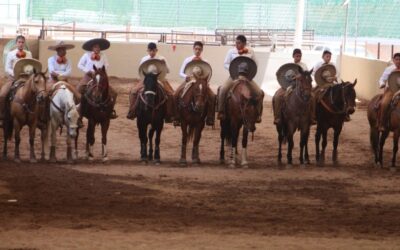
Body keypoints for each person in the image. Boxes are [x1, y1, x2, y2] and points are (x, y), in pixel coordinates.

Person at [218, 35, 263, 122]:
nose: (236, 44)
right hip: (233, 76)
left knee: (259, 93)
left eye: (239, 43)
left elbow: (255, 64)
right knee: (223, 89)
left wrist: (249, 73)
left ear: (244, 43)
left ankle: (257, 114)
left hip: (247, 78)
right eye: (236, 42)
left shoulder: (251, 51)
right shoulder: (231, 51)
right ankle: (221, 111)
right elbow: (226, 63)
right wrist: (233, 69)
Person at [127, 42, 175, 122]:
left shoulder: (161, 58)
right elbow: (141, 72)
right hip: (146, 79)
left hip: (160, 79)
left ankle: (169, 114)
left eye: (153, 50)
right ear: (147, 51)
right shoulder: (144, 59)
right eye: (150, 51)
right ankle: (132, 111)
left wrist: (164, 64)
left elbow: (168, 71)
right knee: (133, 91)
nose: (152, 52)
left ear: (156, 50)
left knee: (171, 94)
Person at [173, 41, 215, 126]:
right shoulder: (188, 60)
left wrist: (205, 82)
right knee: (175, 94)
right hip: (189, 81)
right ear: (193, 49)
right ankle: (176, 117)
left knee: (213, 96)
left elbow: (208, 74)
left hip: (201, 83)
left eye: (199, 49)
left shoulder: (205, 61)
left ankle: (210, 117)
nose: (197, 51)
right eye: (196, 49)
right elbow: (181, 72)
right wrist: (186, 77)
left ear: (202, 50)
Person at [77, 38, 118, 122]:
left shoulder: (103, 55)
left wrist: (101, 71)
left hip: (100, 76)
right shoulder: (86, 55)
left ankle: (110, 111)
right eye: (95, 47)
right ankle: (80, 112)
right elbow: (79, 65)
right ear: (92, 48)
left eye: (98, 47)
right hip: (89, 76)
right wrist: (87, 70)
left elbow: (106, 64)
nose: (97, 49)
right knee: (80, 88)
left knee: (114, 93)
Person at [0, 35, 32, 126]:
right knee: (2, 95)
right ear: (16, 43)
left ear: (24, 43)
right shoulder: (11, 54)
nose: (21, 44)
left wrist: (27, 72)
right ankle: (2, 116)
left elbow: (30, 65)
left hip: (25, 79)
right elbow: (7, 68)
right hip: (13, 78)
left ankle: (35, 115)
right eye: (19, 42)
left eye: (22, 42)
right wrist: (15, 74)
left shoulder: (29, 54)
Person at [273, 48, 308, 125]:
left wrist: (300, 76)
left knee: (311, 97)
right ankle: (277, 117)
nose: (298, 58)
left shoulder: (304, 66)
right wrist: (279, 74)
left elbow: (306, 76)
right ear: (293, 56)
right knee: (277, 97)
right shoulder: (288, 66)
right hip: (287, 85)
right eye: (297, 56)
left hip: (300, 86)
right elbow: (280, 73)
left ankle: (311, 117)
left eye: (300, 56)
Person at [376, 52, 400, 131]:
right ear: (393, 60)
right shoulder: (389, 69)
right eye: (396, 59)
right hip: (391, 90)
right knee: (384, 103)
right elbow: (382, 79)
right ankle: (381, 123)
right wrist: (382, 84)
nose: (398, 61)